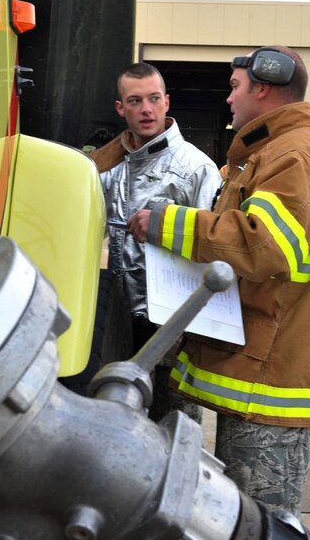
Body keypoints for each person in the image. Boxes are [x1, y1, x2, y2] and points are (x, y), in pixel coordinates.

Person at [128, 46, 310, 517]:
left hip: (275, 378)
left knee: (263, 520)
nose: (229, 100)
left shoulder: (297, 155)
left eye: (235, 87)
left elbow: (266, 245)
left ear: (264, 88)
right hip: (261, 370)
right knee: (240, 517)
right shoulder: (274, 152)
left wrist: (170, 224)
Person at [90, 62, 220, 421]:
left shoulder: (197, 168)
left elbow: (210, 249)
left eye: (153, 98)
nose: (146, 109)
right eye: (135, 101)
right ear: (121, 108)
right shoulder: (110, 168)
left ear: (167, 102)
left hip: (172, 329)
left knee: (169, 422)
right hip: (115, 321)